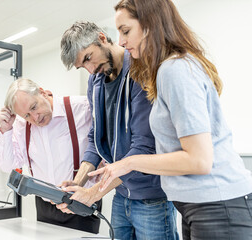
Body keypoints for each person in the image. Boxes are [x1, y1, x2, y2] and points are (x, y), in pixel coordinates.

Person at [87, 0, 252, 239]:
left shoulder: (175, 69)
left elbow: (199, 160)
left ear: (150, 24)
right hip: (198, 205)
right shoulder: (167, 69)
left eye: (126, 31)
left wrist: (127, 163)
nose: (121, 41)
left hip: (218, 205)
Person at [59, 21, 179, 240]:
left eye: (88, 58)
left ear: (102, 38)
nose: (91, 70)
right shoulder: (95, 82)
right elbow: (96, 139)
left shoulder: (139, 72)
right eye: (82, 67)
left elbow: (144, 146)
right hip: (121, 195)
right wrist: (78, 184)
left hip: (151, 197)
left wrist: (94, 193)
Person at [0, 78, 101, 233]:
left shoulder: (82, 107)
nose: (35, 118)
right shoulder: (22, 126)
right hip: (44, 206)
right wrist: (6, 129)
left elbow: (104, 149)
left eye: (34, 107)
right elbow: (7, 165)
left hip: (81, 204)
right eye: (27, 115)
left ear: (42, 92)